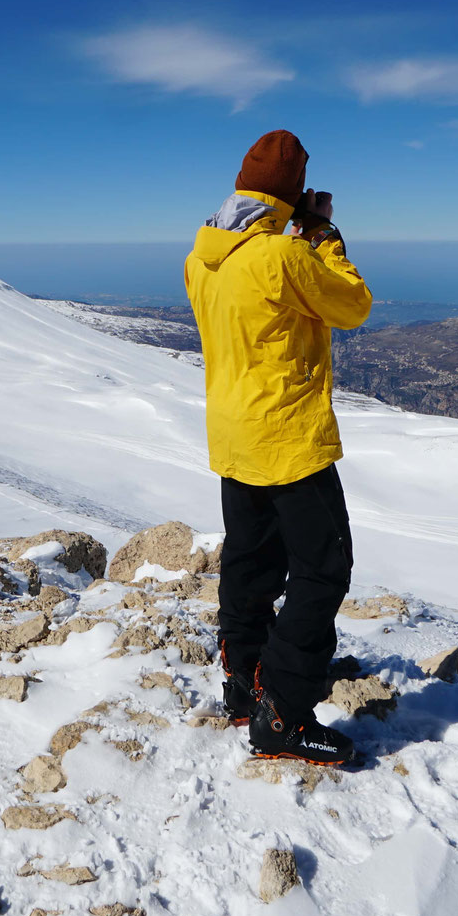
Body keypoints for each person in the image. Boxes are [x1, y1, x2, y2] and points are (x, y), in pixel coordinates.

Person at [183, 130, 373, 764]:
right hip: (288, 437)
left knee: (251, 561)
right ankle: (284, 715)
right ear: (292, 195)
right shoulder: (281, 257)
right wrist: (323, 238)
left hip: (233, 434)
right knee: (323, 569)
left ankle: (244, 683)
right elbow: (352, 304)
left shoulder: (202, 256)